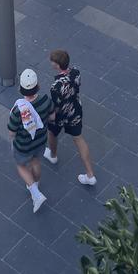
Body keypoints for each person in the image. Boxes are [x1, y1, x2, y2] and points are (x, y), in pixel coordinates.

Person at [43, 50, 96, 186]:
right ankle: (90, 175)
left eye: (52, 61)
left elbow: (56, 105)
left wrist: (50, 117)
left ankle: (53, 155)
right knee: (78, 138)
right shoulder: (76, 72)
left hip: (61, 114)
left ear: (57, 65)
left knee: (52, 132)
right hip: (75, 110)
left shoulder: (55, 86)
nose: (51, 62)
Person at [8, 68, 53, 213]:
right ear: (37, 86)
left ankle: (35, 192)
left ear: (21, 89)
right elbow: (52, 117)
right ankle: (35, 184)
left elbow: (11, 131)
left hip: (23, 145)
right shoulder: (46, 100)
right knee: (36, 161)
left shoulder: (18, 110)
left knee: (21, 165)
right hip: (40, 141)